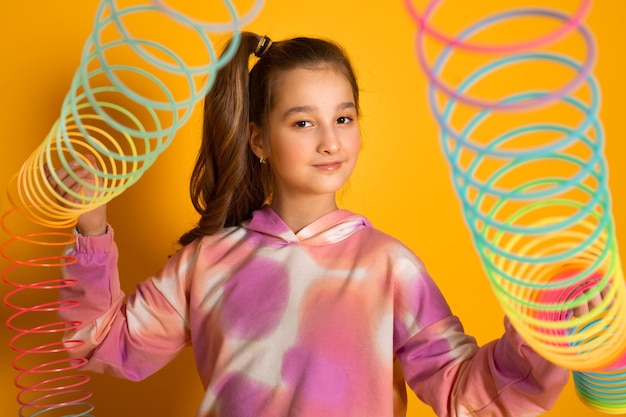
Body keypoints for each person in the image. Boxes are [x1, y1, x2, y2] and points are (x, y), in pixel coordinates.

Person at [52, 32, 570, 416]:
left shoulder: (389, 266)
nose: (330, 141)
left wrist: (543, 336)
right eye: (304, 122)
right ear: (258, 141)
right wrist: (91, 223)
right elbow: (104, 344)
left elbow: (462, 393)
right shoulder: (207, 261)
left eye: (343, 119)